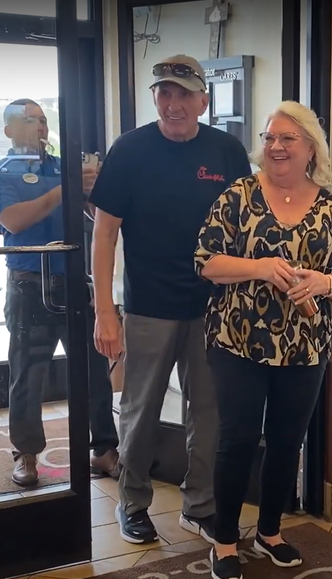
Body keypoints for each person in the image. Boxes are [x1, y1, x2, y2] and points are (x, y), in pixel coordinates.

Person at [195, 100, 332, 579]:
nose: (276, 146)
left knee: (288, 441)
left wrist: (323, 283)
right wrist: (261, 268)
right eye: (270, 137)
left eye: (287, 138)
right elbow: (205, 261)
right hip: (238, 341)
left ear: (310, 147)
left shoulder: (331, 207)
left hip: (305, 345)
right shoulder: (238, 196)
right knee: (238, 440)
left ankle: (270, 533)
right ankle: (225, 540)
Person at [90, 55, 252, 545]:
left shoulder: (226, 151)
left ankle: (199, 506)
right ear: (155, 97)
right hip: (148, 307)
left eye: (185, 94)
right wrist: (105, 312)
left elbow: (246, 228)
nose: (174, 103)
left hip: (213, 308)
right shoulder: (131, 149)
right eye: (165, 93)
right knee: (140, 411)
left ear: (204, 100)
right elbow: (104, 234)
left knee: (208, 413)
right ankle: (133, 502)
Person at [0, 98, 121, 486]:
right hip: (30, 286)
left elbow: (98, 219)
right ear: (8, 130)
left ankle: (103, 449)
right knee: (28, 374)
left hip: (77, 283)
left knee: (94, 373)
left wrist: (92, 191)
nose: (39, 128)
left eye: (43, 121)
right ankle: (26, 454)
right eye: (29, 121)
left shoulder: (63, 168)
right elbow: (15, 221)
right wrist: (68, 186)